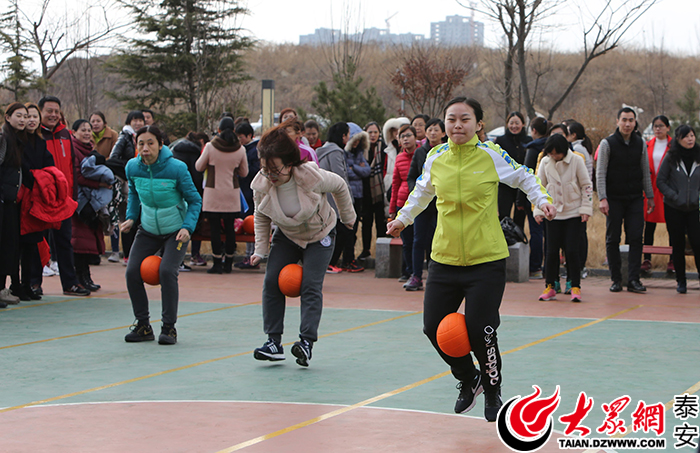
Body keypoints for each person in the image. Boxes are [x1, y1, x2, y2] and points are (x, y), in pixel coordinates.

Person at [386, 97, 554, 422]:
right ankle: (468, 378)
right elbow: (422, 192)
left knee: (482, 330)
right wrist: (402, 219)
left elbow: (524, 176)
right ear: (444, 123)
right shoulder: (436, 157)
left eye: (465, 119)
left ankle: (493, 388)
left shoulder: (491, 155)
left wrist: (541, 202)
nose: (457, 125)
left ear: (478, 124)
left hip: (486, 260)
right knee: (433, 328)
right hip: (444, 259)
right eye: (451, 119)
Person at [249, 126, 355, 366]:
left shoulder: (311, 176)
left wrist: (348, 218)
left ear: (290, 163)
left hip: (320, 234)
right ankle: (273, 342)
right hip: (287, 235)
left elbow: (339, 185)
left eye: (275, 169)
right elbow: (261, 215)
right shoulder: (262, 184)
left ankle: (306, 342)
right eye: (266, 169)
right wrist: (260, 250)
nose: (270, 175)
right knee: (271, 282)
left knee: (310, 285)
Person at [121, 125, 202, 345]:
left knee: (167, 271)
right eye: (141, 144)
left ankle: (169, 328)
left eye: (150, 143)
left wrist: (187, 227)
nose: (145, 148)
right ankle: (143, 325)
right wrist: (131, 217)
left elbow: (195, 200)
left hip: (175, 231)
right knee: (132, 273)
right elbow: (135, 195)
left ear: (161, 145)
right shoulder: (132, 167)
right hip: (147, 229)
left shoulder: (176, 168)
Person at [596, 107, 654, 293]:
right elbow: (600, 173)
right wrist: (602, 198)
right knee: (613, 238)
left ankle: (634, 279)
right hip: (614, 198)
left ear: (635, 122)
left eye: (631, 120)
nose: (627, 124)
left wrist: (650, 196)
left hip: (635, 198)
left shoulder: (640, 143)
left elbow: (645, 171)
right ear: (617, 121)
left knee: (637, 238)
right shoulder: (607, 143)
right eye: (624, 120)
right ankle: (616, 279)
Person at [39, 96, 90, 296]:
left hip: (64, 199)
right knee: (39, 242)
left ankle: (70, 283)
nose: (53, 115)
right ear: (40, 112)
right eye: (48, 111)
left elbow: (71, 166)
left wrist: (73, 195)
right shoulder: (35, 135)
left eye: (56, 111)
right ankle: (34, 283)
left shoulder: (66, 135)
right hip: (42, 199)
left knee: (65, 242)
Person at [535, 134, 592, 302]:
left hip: (573, 213)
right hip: (553, 214)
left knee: (572, 251)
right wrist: (539, 211)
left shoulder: (576, 160)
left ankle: (575, 286)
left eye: (557, 153)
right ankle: (550, 285)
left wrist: (585, 208)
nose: (554, 156)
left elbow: (586, 185)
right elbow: (539, 187)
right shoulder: (545, 162)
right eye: (551, 153)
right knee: (551, 252)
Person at [195, 117, 248, 274]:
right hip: (231, 194)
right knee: (230, 229)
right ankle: (229, 263)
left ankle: (217, 263)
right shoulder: (240, 149)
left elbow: (198, 166)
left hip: (213, 194)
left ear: (218, 130)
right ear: (233, 130)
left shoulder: (210, 147)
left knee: (215, 230)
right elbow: (244, 172)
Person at [655, 124, 700, 294]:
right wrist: (674, 196)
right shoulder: (671, 158)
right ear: (678, 140)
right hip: (674, 208)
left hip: (694, 208)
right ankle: (681, 281)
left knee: (697, 242)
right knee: (678, 244)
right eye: (686, 136)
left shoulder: (698, 156)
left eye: (692, 136)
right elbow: (661, 181)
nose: (690, 139)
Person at [71, 119, 114, 292]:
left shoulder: (89, 150)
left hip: (92, 202)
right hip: (80, 202)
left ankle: (86, 277)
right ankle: (79, 278)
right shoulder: (74, 150)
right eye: (83, 130)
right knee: (79, 243)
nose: (87, 133)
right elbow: (77, 176)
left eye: (89, 130)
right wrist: (100, 185)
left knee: (87, 242)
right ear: (74, 132)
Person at [405, 118, 445, 290]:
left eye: (436, 130)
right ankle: (416, 276)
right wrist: (417, 191)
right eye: (430, 130)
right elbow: (411, 176)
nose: (433, 133)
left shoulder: (447, 152)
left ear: (443, 133)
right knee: (418, 240)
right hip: (422, 205)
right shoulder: (420, 152)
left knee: (437, 240)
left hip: (441, 204)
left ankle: (435, 275)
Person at [22, 103, 56, 298]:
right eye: (28, 116)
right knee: (21, 245)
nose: (32, 120)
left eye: (35, 116)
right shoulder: (16, 141)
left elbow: (49, 166)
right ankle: (19, 284)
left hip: (38, 197)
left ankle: (34, 282)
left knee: (36, 242)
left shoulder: (41, 142)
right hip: (22, 196)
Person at [109, 110, 146, 266]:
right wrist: (130, 168)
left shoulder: (145, 137)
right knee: (128, 218)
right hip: (128, 183)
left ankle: (139, 254)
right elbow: (114, 157)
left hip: (143, 182)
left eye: (140, 120)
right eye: (134, 120)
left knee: (141, 220)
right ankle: (127, 255)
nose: (137, 123)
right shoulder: (124, 137)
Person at [316, 122, 354, 273]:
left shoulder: (320, 150)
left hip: (323, 196)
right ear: (343, 136)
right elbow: (341, 177)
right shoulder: (336, 152)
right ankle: (330, 262)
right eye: (348, 134)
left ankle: (328, 262)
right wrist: (349, 198)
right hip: (335, 198)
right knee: (342, 230)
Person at [0, 103, 28, 306]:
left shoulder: (19, 139)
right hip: (3, 199)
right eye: (18, 115)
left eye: (25, 116)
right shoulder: (3, 139)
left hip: (10, 200)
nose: (23, 119)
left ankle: (2, 289)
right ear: (7, 117)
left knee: (8, 245)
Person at [171, 131, 209, 267]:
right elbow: (197, 175)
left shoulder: (175, 149)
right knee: (192, 225)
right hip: (191, 193)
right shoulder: (195, 153)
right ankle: (194, 255)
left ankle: (177, 259)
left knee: (177, 226)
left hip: (174, 193)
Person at [517, 117, 549, 280]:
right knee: (548, 234)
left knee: (536, 232)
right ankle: (548, 267)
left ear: (533, 131)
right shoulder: (552, 146)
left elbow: (526, 176)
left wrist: (520, 201)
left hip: (534, 198)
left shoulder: (533, 149)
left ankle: (535, 266)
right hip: (550, 197)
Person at [642, 115, 673, 274]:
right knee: (649, 224)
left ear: (668, 128)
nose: (658, 129)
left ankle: (673, 259)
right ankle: (646, 258)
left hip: (668, 189)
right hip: (651, 188)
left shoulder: (674, 146)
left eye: (661, 126)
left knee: (673, 225)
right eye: (655, 126)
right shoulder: (647, 145)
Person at [389, 124, 418, 284]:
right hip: (402, 202)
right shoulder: (399, 158)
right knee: (406, 241)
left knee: (419, 240)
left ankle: (418, 271)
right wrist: (392, 209)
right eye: (402, 136)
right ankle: (409, 271)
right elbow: (395, 183)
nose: (406, 139)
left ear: (415, 137)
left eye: (409, 135)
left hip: (419, 204)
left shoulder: (422, 154)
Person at [495, 111, 531, 231]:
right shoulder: (500, 141)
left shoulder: (528, 140)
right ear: (507, 124)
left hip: (521, 184)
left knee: (520, 214)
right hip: (505, 183)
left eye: (517, 123)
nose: (514, 126)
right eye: (511, 123)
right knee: (504, 213)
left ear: (523, 124)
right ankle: (504, 240)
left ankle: (518, 237)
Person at [342, 123, 370, 272]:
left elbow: (367, 170)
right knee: (348, 229)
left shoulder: (359, 153)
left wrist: (355, 168)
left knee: (355, 228)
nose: (357, 143)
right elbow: (347, 172)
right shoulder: (343, 153)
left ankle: (350, 259)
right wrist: (357, 169)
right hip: (348, 195)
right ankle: (347, 259)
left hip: (359, 195)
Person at [358, 121, 387, 260]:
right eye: (370, 132)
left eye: (375, 132)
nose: (373, 135)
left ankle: (382, 252)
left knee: (381, 222)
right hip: (365, 190)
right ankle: (366, 250)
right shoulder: (361, 148)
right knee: (367, 223)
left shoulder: (384, 148)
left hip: (380, 190)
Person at [235, 121, 261, 269]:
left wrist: (241, 168)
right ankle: (248, 255)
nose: (240, 140)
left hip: (250, 192)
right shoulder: (243, 149)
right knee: (246, 224)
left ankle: (252, 256)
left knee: (252, 225)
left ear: (249, 136)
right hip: (243, 192)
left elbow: (254, 170)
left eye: (241, 137)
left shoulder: (253, 151)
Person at [382, 117, 411, 208]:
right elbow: (385, 167)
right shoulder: (387, 150)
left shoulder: (412, 151)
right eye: (393, 130)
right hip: (391, 185)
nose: (396, 133)